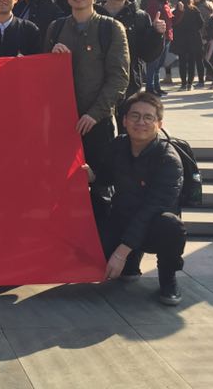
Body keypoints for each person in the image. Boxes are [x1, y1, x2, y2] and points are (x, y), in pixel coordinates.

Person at [46, 0, 129, 226]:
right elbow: (43, 77)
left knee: (100, 191)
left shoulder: (111, 28)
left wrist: (95, 114)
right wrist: (52, 59)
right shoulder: (56, 28)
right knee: (60, 190)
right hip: (62, 125)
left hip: (97, 124)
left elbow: (119, 78)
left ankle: (100, 244)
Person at [86, 91, 186, 306]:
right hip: (122, 217)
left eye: (148, 117)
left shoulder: (168, 160)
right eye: (135, 116)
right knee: (94, 213)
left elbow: (152, 210)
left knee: (171, 226)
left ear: (159, 124)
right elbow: (105, 177)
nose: (141, 122)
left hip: (153, 226)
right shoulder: (118, 146)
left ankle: (168, 279)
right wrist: (92, 176)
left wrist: (120, 253)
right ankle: (131, 262)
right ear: (124, 120)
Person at [95, 0, 164, 112]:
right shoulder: (92, 15)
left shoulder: (140, 17)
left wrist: (156, 34)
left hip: (129, 89)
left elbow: (148, 55)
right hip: (94, 88)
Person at [144, 0, 176, 96]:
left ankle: (156, 87)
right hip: (157, 38)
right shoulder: (154, 2)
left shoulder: (166, 4)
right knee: (153, 64)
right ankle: (150, 88)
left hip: (167, 38)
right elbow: (151, 20)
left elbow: (172, 22)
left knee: (158, 65)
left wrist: (180, 12)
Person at [170, 0, 204, 91]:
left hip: (181, 39)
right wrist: (194, 29)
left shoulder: (176, 11)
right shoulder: (194, 10)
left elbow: (173, 24)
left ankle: (183, 83)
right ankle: (190, 84)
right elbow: (201, 23)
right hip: (193, 39)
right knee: (191, 62)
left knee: (182, 62)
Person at [192, 0, 213, 87]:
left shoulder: (201, 8)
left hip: (201, 37)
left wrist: (202, 37)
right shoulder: (204, 6)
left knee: (201, 59)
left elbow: (203, 24)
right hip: (203, 37)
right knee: (201, 59)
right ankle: (208, 79)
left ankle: (212, 79)